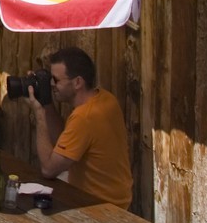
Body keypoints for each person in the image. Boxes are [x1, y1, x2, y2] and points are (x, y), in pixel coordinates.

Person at [33, 46, 133, 209]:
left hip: (99, 206)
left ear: (78, 82)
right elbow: (64, 142)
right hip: (118, 197)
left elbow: (48, 169)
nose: (52, 84)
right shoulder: (106, 98)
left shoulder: (84, 117)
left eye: (56, 80)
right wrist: (46, 102)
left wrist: (39, 113)